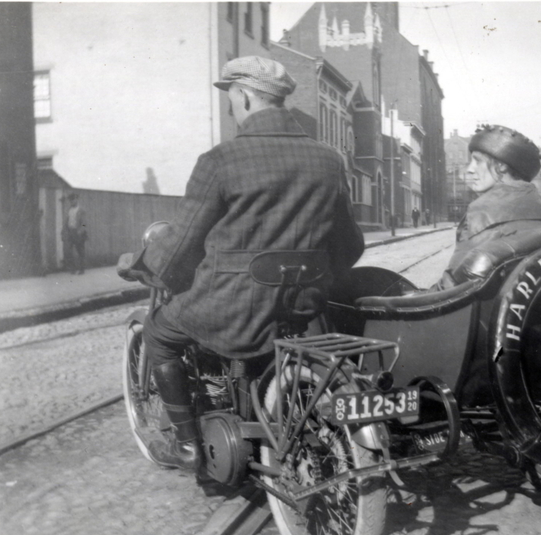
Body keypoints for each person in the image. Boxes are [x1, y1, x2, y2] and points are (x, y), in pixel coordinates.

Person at [117, 56, 364, 471]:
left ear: (245, 96)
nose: (231, 107)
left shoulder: (221, 160)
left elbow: (179, 247)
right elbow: (350, 244)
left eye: (231, 98)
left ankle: (187, 446)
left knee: (159, 332)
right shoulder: (328, 160)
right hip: (302, 304)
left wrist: (138, 264)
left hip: (234, 309)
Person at [433, 124, 541, 289]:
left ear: (502, 166)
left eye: (477, 161)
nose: (469, 170)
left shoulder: (482, 211)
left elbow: (452, 285)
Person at [63, 193, 87, 274]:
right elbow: (66, 221)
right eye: (71, 200)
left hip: (78, 232)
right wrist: (65, 230)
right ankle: (72, 269)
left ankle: (81, 269)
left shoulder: (81, 210)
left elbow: (84, 223)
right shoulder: (69, 210)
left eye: (74, 199)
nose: (72, 201)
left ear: (77, 199)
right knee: (69, 251)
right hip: (70, 232)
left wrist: (81, 231)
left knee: (80, 251)